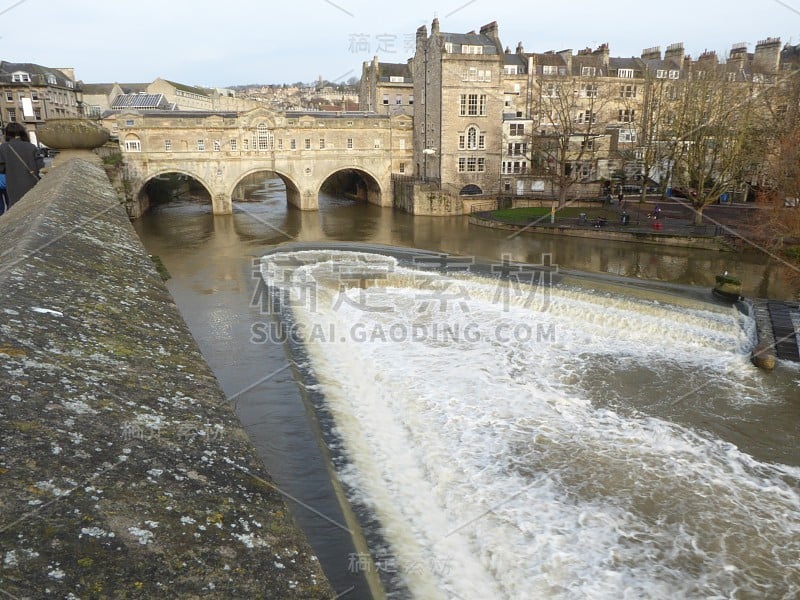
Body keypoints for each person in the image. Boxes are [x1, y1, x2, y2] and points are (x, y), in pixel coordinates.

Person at [0, 122, 44, 211]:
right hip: (32, 183)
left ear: (7, 134)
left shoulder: (3, 148)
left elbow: (1, 168)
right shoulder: (32, 147)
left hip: (13, 185)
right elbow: (41, 166)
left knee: (17, 210)